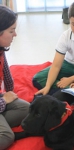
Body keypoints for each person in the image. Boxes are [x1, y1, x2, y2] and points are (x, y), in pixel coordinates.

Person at [32, 1, 74, 95]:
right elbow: (56, 65)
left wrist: (70, 79)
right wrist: (47, 87)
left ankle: (66, 92)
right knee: (39, 78)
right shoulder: (65, 36)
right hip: (68, 65)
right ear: (69, 21)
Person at [0, 5, 30, 150]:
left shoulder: (1, 48)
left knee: (27, 109)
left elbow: (6, 73)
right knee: (6, 136)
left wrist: (9, 94)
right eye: (11, 31)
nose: (15, 34)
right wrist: (3, 101)